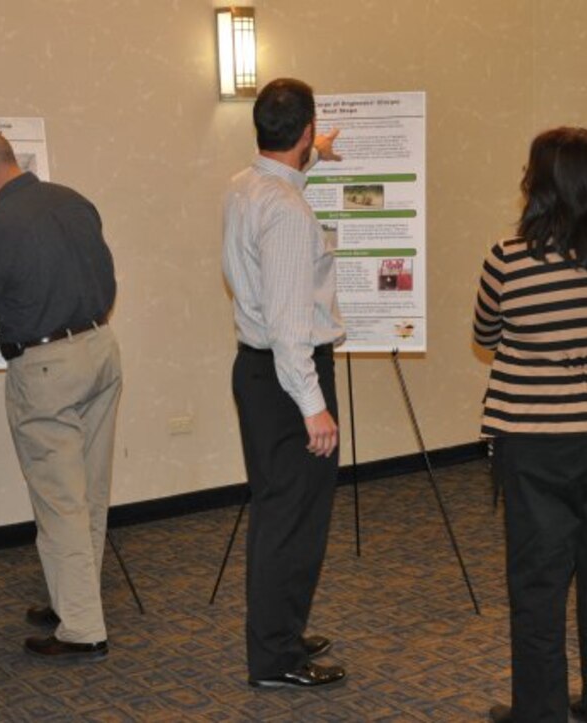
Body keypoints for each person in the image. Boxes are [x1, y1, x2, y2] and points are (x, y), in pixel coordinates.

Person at [475, 127, 587, 723]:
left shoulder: (509, 258)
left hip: (539, 444)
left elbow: (485, 336)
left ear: (541, 186)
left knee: (539, 591)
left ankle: (541, 714)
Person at [0, 130, 121, 660]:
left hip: (48, 370)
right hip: (102, 348)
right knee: (88, 491)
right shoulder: (74, 200)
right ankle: (73, 597)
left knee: (59, 500)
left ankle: (82, 629)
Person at [222, 78, 348, 689]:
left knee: (280, 512)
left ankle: (281, 631)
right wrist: (315, 408)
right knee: (292, 522)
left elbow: (290, 167)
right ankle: (276, 658)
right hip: (288, 378)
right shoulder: (291, 214)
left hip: (255, 370)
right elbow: (291, 325)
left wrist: (315, 150)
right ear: (301, 131)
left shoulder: (244, 187)